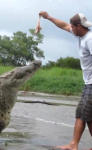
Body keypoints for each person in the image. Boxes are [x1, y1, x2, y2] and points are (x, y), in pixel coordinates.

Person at [39, 11, 92, 150]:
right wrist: (48, 17)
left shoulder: (90, 39)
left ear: (78, 26)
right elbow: (63, 26)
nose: (71, 28)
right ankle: (73, 144)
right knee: (81, 114)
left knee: (89, 115)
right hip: (88, 83)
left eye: (72, 27)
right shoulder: (80, 34)